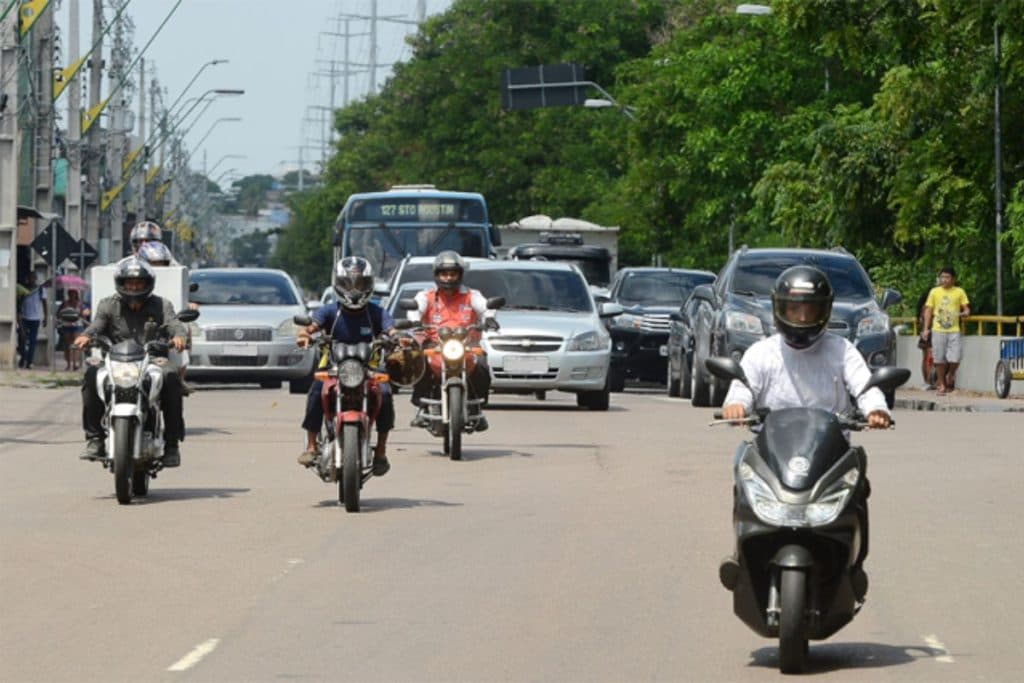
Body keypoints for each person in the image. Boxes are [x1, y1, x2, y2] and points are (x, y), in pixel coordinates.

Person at [720, 265, 891, 598]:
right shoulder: (762, 353)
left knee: (859, 476)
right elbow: (742, 387)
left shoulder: (842, 350)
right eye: (793, 309)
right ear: (778, 309)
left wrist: (876, 409)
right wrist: (736, 405)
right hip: (773, 453)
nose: (801, 317)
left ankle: (854, 564)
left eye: (809, 310)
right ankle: (741, 553)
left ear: (824, 311)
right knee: (742, 466)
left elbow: (866, 386)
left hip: (829, 453)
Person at [73, 257, 188, 466]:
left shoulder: (162, 305)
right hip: (115, 360)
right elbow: (97, 324)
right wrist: (86, 336)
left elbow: (174, 324)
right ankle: (95, 439)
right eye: (129, 283)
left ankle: (172, 445)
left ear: (148, 284)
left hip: (152, 360)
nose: (134, 287)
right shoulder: (108, 304)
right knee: (91, 375)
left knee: (171, 376)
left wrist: (180, 336)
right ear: (121, 283)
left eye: (139, 283)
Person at [296, 256, 396, 475]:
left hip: (368, 370)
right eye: (348, 284)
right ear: (338, 284)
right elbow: (312, 327)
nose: (354, 290)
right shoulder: (329, 311)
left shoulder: (376, 312)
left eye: (360, 284)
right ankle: (311, 446)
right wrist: (305, 335)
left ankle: (381, 450)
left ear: (369, 285)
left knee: (386, 393)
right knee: (316, 391)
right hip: (333, 368)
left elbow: (391, 329)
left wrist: (399, 338)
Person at [409, 250, 493, 431]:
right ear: (437, 275)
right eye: (444, 274)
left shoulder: (471, 295)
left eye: (452, 274)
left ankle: (477, 407)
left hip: (466, 344)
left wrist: (489, 318)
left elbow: (485, 307)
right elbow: (416, 308)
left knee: (482, 364)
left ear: (460, 275)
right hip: (435, 344)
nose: (448, 278)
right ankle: (422, 405)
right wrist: (415, 320)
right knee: (418, 360)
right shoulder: (427, 295)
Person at [921, 266, 970, 396]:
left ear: (953, 279)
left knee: (956, 357)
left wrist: (966, 312)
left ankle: (951, 374)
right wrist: (926, 329)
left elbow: (966, 308)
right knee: (939, 358)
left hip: (954, 330)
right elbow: (928, 310)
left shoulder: (959, 291)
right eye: (942, 277)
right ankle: (942, 384)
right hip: (938, 329)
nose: (944, 280)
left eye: (947, 277)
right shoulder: (934, 292)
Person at [17, 272, 47, 369]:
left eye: (33, 277)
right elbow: (19, 302)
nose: (31, 279)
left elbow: (44, 303)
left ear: (36, 278)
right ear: (27, 278)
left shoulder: (41, 289)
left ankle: (29, 362)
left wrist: (46, 317)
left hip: (35, 319)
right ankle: (23, 357)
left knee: (32, 341)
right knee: (22, 340)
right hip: (24, 318)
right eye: (30, 277)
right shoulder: (22, 289)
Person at [57, 289, 90, 371]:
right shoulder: (65, 304)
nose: (71, 295)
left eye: (73, 294)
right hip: (66, 326)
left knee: (76, 345)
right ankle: (69, 364)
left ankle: (75, 363)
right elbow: (58, 314)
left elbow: (86, 313)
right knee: (67, 346)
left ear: (76, 295)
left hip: (78, 326)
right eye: (70, 294)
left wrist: (84, 313)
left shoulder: (80, 304)